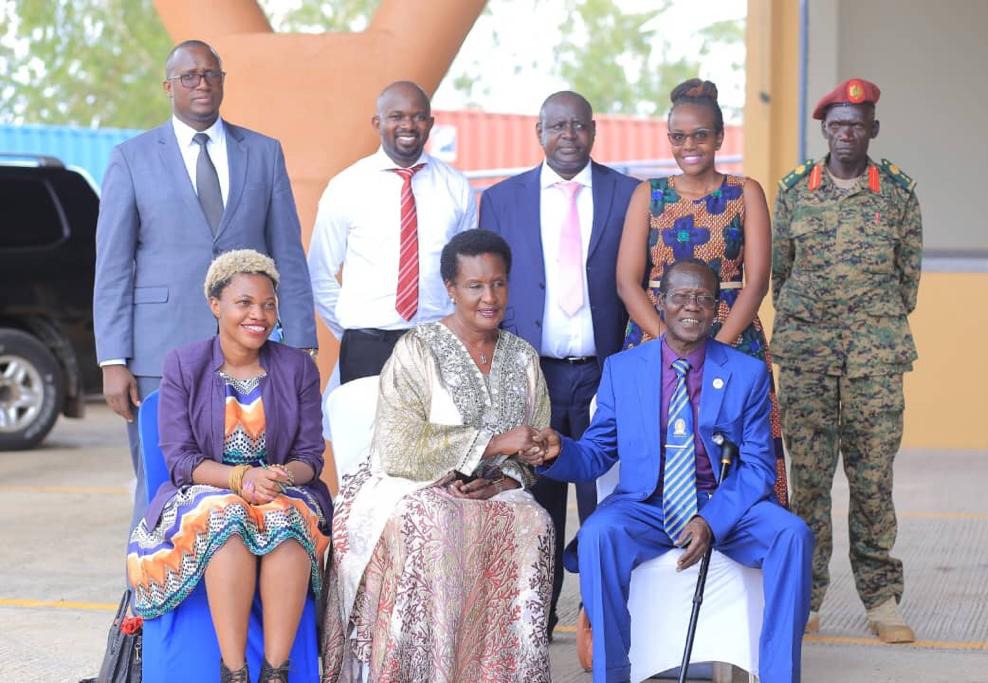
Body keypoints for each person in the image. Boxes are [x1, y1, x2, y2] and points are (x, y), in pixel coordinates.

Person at [528, 259, 812, 683]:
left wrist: (711, 521)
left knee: (792, 534)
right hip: (647, 503)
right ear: (661, 303)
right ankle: (613, 674)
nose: (690, 307)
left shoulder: (746, 373)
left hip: (724, 504)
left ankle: (777, 675)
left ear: (717, 308)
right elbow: (596, 453)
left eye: (702, 298)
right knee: (599, 534)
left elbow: (756, 469)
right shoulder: (623, 370)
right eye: (680, 296)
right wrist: (556, 453)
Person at [94, 39, 317, 535]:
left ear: (222, 81)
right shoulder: (130, 158)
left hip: (251, 355)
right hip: (158, 350)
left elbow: (288, 254)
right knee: (159, 483)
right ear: (168, 86)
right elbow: (113, 265)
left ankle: (233, 607)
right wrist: (113, 359)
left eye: (211, 74)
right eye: (189, 76)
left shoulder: (262, 152)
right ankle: (142, 608)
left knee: (248, 483)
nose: (201, 84)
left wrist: (300, 339)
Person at [321, 230, 554, 683]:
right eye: (475, 286)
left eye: (499, 283)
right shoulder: (417, 349)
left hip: (490, 490)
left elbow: (531, 450)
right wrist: (489, 444)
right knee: (437, 523)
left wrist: (503, 479)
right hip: (403, 484)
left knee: (536, 522)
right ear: (450, 288)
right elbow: (396, 444)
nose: (490, 297)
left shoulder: (523, 358)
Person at [126, 250, 332, 683]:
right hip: (207, 488)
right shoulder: (183, 365)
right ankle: (234, 671)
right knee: (229, 517)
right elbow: (181, 460)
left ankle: (276, 672)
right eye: (244, 303)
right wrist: (241, 478)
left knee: (287, 521)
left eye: (268, 304)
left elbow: (311, 458)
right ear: (216, 305)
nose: (259, 314)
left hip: (280, 488)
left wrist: (277, 478)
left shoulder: (297, 368)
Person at [478, 90, 640, 637]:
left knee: (605, 503)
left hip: (607, 369)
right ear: (538, 131)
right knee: (535, 500)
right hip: (534, 372)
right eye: (556, 126)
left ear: (594, 131)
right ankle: (534, 624)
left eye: (578, 125)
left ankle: (599, 619)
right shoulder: (501, 198)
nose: (567, 135)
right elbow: (492, 286)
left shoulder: (629, 194)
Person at [772, 78, 922, 643]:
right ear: (824, 130)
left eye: (856, 125)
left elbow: (908, 278)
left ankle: (882, 600)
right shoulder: (795, 190)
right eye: (836, 126)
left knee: (872, 481)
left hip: (875, 361)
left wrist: (867, 328)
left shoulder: (898, 192)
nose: (845, 136)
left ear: (873, 131)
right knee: (807, 483)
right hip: (808, 359)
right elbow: (780, 273)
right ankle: (805, 601)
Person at [615, 79, 788, 506]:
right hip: (656, 337)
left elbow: (758, 281)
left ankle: (748, 546)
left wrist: (716, 350)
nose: (688, 145)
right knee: (660, 441)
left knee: (739, 444)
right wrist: (667, 344)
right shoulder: (648, 195)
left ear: (719, 137)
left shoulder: (745, 192)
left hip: (733, 332)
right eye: (678, 137)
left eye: (700, 135)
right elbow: (626, 281)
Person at [307, 81, 477, 385]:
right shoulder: (346, 187)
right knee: (367, 432)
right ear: (378, 123)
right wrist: (353, 330)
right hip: (367, 347)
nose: (408, 125)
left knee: (439, 432)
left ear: (430, 123)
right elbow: (318, 272)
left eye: (418, 116)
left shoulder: (456, 187)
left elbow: (467, 275)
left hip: (436, 343)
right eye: (396, 116)